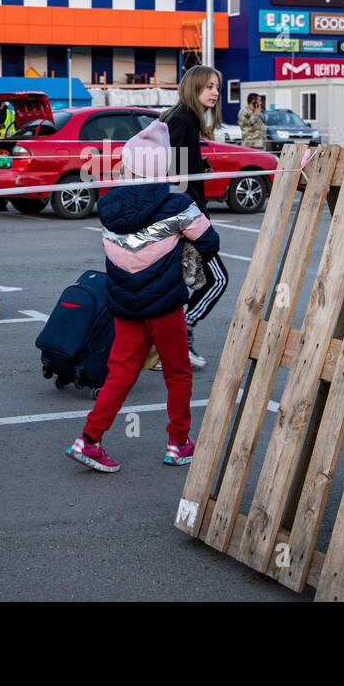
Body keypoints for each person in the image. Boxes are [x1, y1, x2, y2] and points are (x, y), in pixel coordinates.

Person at [65, 120, 219, 473]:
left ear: (128, 164)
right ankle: (178, 443)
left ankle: (89, 438)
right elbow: (210, 242)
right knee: (178, 373)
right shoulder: (177, 205)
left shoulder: (110, 206)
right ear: (163, 166)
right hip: (164, 305)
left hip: (124, 304)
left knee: (121, 371)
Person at [162, 65, 227, 369]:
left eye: (217, 87)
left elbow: (179, 169)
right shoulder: (183, 120)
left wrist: (199, 170)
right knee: (218, 279)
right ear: (194, 87)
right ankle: (182, 333)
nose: (215, 92)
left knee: (171, 284)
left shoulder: (181, 117)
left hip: (179, 217)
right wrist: (192, 217)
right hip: (186, 218)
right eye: (209, 87)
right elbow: (175, 176)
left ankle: (163, 349)